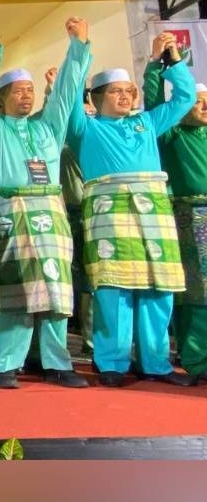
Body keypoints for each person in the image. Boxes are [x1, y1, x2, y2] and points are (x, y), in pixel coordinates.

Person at [66, 31, 196, 387]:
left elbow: (184, 97)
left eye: (129, 91)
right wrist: (80, 52)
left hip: (153, 211)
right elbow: (67, 100)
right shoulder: (84, 128)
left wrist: (168, 60)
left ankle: (156, 364)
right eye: (116, 91)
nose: (125, 96)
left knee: (159, 287)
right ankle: (111, 363)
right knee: (114, 289)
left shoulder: (147, 122)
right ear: (96, 97)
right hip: (110, 213)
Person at [0, 17, 92, 389]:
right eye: (17, 91)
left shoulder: (47, 129)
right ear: (2, 97)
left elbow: (67, 92)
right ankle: (7, 364)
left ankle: (56, 363)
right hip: (9, 215)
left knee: (57, 292)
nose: (26, 96)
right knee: (14, 293)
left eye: (29, 90)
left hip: (51, 214)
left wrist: (79, 47)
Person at [144, 33, 207, 383]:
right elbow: (154, 102)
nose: (204, 106)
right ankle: (197, 361)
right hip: (187, 216)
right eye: (198, 101)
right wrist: (158, 64)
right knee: (196, 296)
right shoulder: (171, 135)